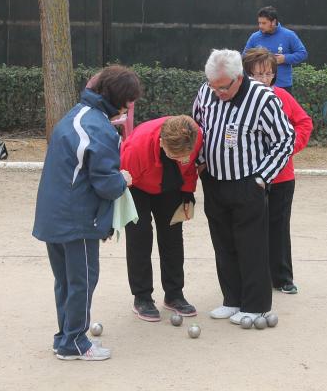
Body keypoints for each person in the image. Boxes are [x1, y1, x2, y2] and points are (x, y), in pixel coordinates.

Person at [33, 65, 142, 360]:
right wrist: (124, 179)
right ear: (119, 99)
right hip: (76, 218)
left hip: (53, 213)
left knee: (66, 280)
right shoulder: (99, 127)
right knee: (82, 279)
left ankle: (65, 336)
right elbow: (106, 184)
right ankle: (75, 342)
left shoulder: (76, 114)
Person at [193, 49, 295, 324]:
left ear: (238, 78)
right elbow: (197, 128)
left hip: (248, 181)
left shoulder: (263, 98)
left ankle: (256, 305)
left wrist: (263, 177)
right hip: (214, 181)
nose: (217, 92)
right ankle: (232, 299)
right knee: (223, 244)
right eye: (213, 86)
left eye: (223, 87)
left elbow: (286, 139)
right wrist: (201, 163)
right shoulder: (206, 91)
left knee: (251, 245)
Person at [242, 48, 313, 294]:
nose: (265, 79)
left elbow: (304, 122)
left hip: (282, 175)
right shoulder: (238, 100)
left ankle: (282, 277)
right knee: (250, 227)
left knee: (279, 226)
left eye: (270, 74)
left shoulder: (281, 96)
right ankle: (251, 275)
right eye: (259, 74)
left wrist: (290, 148)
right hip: (249, 175)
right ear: (247, 73)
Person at [120, 115, 202, 321]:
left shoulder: (195, 135)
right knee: (140, 236)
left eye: (182, 155)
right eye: (174, 155)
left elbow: (189, 167)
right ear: (161, 143)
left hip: (171, 184)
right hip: (136, 185)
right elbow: (123, 181)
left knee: (173, 237)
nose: (180, 158)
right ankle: (142, 297)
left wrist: (187, 192)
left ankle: (174, 294)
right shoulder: (137, 147)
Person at [243, 6, 308, 93]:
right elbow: (244, 57)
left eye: (264, 23)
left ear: (273, 22)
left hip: (283, 86)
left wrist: (285, 58)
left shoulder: (289, 35)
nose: (260, 26)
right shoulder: (254, 37)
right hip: (258, 86)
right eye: (259, 23)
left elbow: (302, 53)